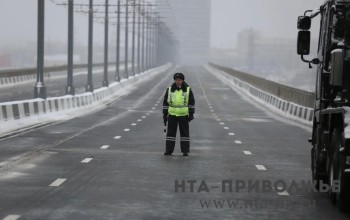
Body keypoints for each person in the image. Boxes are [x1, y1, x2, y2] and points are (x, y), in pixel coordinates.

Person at [163, 73, 195, 156]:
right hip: (172, 114)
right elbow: (165, 102)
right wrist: (165, 114)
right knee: (170, 134)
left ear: (182, 80)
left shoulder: (188, 90)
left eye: (179, 80)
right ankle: (168, 150)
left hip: (183, 115)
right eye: (176, 80)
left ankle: (185, 151)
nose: (177, 81)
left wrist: (191, 114)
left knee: (184, 134)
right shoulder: (170, 89)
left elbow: (191, 102)